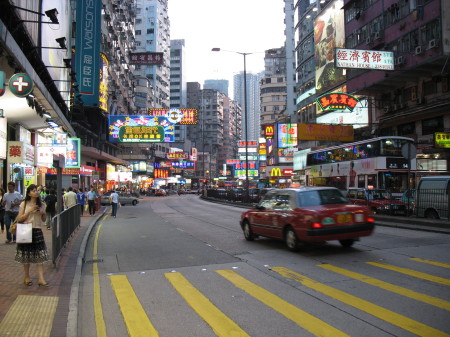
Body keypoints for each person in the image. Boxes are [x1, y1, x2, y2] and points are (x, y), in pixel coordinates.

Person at [15, 184, 49, 287]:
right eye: (34, 190)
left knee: (40, 255)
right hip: (25, 229)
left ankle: (41, 279)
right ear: (29, 193)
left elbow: (44, 220)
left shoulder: (42, 204)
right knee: (26, 255)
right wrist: (30, 210)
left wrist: (43, 213)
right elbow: (20, 218)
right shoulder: (24, 204)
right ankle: (26, 276)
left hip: (37, 230)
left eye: (37, 190)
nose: (36, 192)